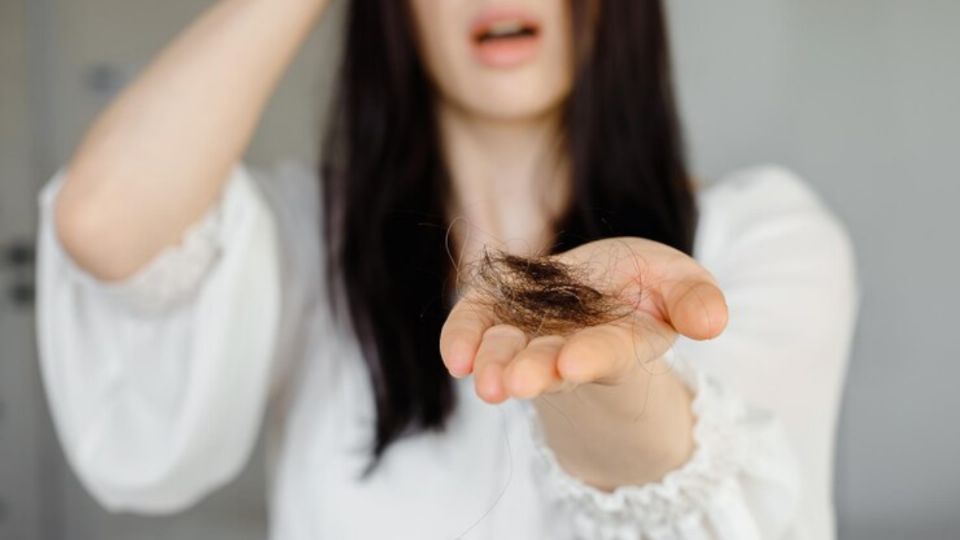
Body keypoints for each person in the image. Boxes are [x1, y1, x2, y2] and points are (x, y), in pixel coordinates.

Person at [34, 0, 860, 538]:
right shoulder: (305, 240)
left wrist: (588, 365)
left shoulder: (763, 235)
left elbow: (706, 510)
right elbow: (102, 224)